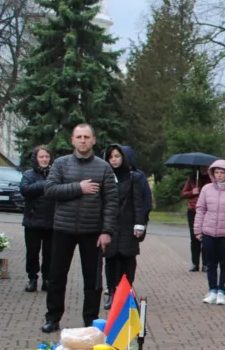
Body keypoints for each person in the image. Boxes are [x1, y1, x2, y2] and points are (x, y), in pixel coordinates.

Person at [41, 124, 118, 333]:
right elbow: (50, 190)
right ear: (72, 140)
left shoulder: (104, 168)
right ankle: (52, 318)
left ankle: (91, 322)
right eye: (79, 137)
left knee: (93, 280)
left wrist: (107, 231)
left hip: (93, 232)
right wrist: (79, 187)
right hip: (62, 229)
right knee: (56, 277)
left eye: (86, 137)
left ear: (93, 140)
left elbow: (111, 202)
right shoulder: (61, 164)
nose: (82, 141)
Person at [102, 144, 148, 308]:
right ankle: (112, 292)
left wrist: (139, 224)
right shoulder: (105, 176)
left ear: (123, 158)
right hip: (110, 225)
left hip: (128, 225)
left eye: (117, 156)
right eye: (111, 157)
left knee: (128, 260)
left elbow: (138, 202)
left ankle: (126, 293)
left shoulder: (133, 177)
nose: (114, 160)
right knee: (110, 260)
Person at [194, 159, 225, 305]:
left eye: (222, 172)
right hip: (208, 231)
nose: (219, 175)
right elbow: (200, 209)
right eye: (217, 172)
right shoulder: (206, 189)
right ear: (212, 173)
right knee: (210, 263)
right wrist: (197, 229)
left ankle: (222, 291)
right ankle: (212, 290)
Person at [19, 146, 55, 293]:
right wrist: (45, 185)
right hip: (32, 221)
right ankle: (32, 278)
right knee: (32, 252)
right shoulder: (29, 174)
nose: (44, 159)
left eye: (47, 156)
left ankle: (47, 279)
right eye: (41, 157)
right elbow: (25, 190)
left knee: (49, 253)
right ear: (36, 158)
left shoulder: (55, 173)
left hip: (51, 221)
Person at [181, 168, 209, 271]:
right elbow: (183, 193)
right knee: (194, 238)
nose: (204, 170)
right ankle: (195, 263)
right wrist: (192, 192)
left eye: (206, 168)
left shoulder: (211, 180)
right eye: (202, 168)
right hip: (193, 210)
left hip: (207, 211)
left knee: (206, 238)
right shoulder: (192, 179)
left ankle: (206, 264)